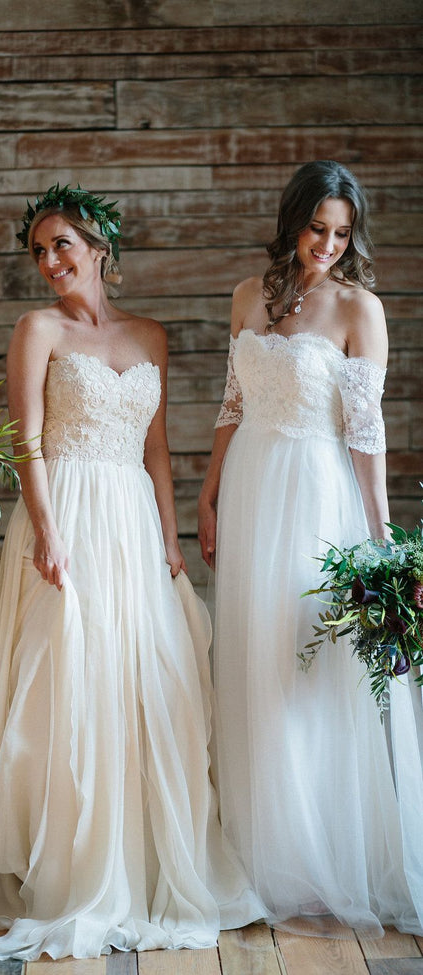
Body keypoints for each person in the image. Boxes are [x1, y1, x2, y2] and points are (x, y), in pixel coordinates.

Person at [0, 184, 264, 961]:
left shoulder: (151, 335)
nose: (48, 261)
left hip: (133, 520)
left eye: (61, 244)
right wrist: (46, 529)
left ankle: (146, 858)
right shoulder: (37, 329)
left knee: (147, 681)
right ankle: (75, 866)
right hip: (67, 510)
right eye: (38, 250)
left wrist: (170, 539)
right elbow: (25, 442)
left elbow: (157, 447)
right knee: (67, 682)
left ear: (100, 247)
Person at [198, 160, 423, 937]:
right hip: (255, 485)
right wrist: (210, 487)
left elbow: (367, 433)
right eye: (316, 227)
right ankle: (265, 854)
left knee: (310, 667)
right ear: (292, 220)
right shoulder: (247, 297)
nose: (327, 244)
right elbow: (233, 402)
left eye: (341, 232)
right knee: (256, 660)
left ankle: (324, 855)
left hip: (319, 495)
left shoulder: (360, 308)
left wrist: (382, 535)